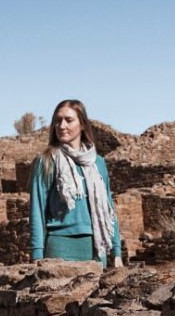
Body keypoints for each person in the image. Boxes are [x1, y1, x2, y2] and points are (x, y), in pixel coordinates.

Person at [29, 99, 123, 266]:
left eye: (68, 120)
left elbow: (109, 208)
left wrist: (116, 251)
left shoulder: (97, 163)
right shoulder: (47, 161)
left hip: (96, 248)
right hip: (59, 249)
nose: (62, 125)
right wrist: (37, 254)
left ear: (83, 125)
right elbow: (37, 210)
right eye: (57, 121)